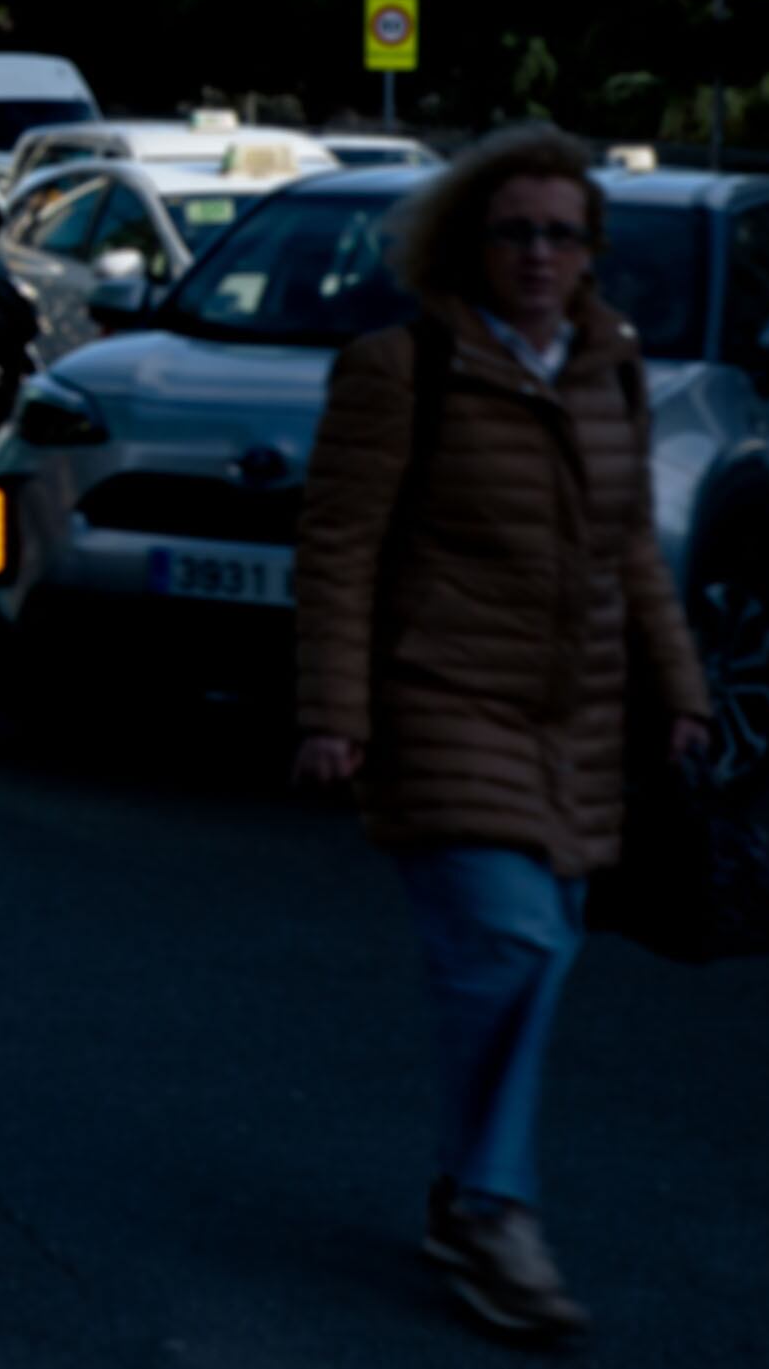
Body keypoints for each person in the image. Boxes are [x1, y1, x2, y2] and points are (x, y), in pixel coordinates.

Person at [295, 126, 713, 1344]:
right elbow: (338, 547)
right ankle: (494, 1210)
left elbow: (632, 545)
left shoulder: (611, 366)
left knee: (539, 952)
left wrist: (679, 687)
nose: (539, 253)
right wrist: (331, 712)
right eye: (514, 230)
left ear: (590, 250)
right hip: (441, 702)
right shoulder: (401, 365)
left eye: (561, 232)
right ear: (466, 242)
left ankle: (461, 1190)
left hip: (574, 719)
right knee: (511, 943)